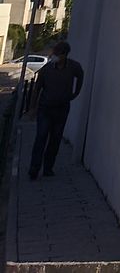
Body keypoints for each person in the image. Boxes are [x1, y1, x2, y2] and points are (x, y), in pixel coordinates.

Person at [27, 39, 84, 179]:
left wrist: (75, 93)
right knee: (41, 137)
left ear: (64, 55)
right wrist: (33, 107)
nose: (55, 56)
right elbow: (37, 88)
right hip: (45, 108)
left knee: (55, 139)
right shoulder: (47, 69)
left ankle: (48, 168)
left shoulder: (73, 67)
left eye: (58, 54)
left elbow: (81, 76)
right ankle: (34, 168)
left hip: (62, 108)